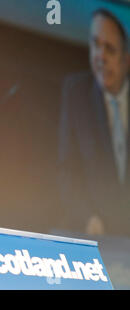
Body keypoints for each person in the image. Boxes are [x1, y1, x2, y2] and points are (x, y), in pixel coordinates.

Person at [58, 9, 130, 236]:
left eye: (110, 49)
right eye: (96, 45)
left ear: (126, 59)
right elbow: (66, 171)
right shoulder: (76, 92)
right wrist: (87, 218)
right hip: (94, 234)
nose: (100, 56)